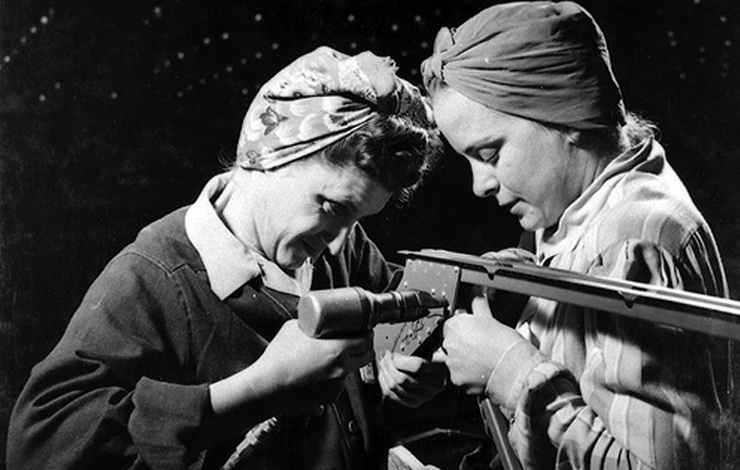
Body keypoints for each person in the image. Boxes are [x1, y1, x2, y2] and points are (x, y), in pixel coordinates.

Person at [7, 46, 447, 470]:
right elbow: (43, 446)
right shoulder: (151, 279)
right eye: (333, 207)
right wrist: (259, 388)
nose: (338, 244)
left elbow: (402, 306)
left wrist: (407, 363)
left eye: (359, 219)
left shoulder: (339, 245)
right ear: (271, 159)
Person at [421, 2, 730, 469]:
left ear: (565, 115)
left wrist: (511, 370)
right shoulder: (569, 214)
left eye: (489, 153)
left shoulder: (634, 239)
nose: (478, 185)